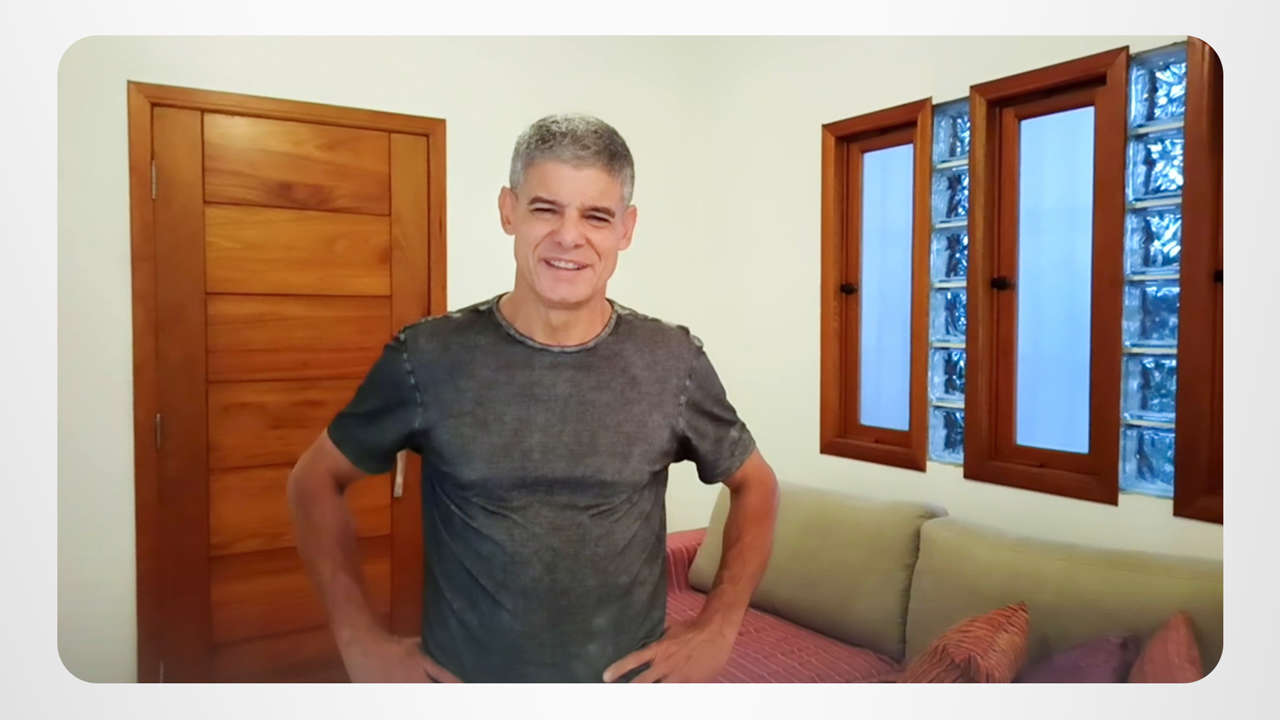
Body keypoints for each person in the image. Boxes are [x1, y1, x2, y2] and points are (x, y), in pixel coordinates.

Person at [287, 114, 779, 683]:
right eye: (546, 209)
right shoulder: (426, 357)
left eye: (596, 216)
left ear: (626, 228)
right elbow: (314, 480)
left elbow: (756, 485)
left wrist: (718, 626)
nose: (569, 236)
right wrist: (357, 637)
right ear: (509, 211)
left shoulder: (674, 361)